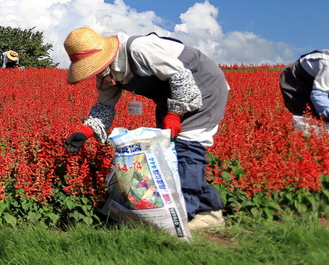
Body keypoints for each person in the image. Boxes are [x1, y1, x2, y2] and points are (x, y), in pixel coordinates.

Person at [62, 27, 230, 232]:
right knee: (170, 151)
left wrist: (175, 114)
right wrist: (85, 132)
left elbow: (181, 76)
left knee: (187, 147)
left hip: (202, 84)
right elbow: (104, 106)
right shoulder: (106, 73)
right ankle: (210, 210)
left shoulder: (140, 49)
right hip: (170, 96)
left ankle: (186, 215)